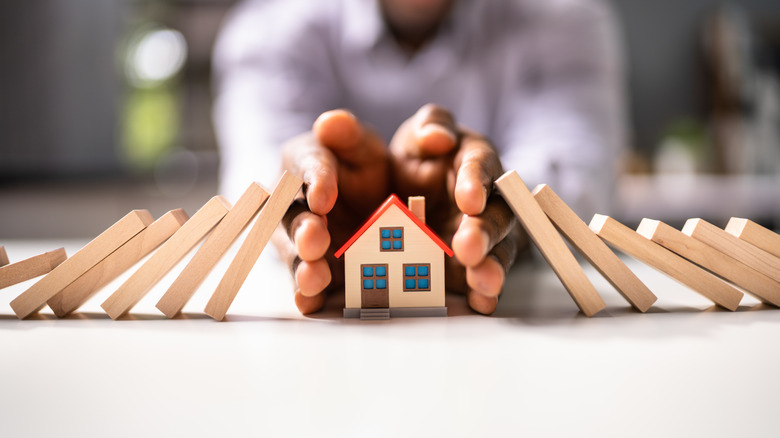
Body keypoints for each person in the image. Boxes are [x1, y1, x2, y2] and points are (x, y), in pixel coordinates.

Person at [212, 0, 627, 314]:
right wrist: (297, 208)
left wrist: (502, 213)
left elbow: (577, 172)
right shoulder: (269, 28)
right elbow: (255, 178)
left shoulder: (563, 17)